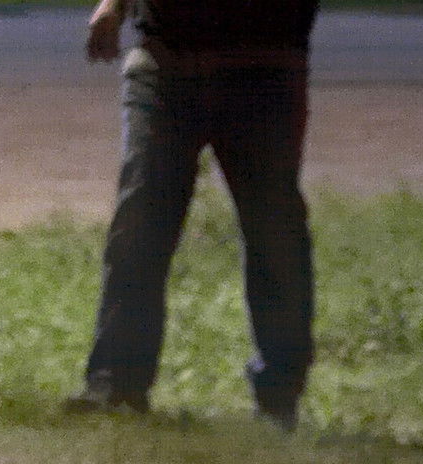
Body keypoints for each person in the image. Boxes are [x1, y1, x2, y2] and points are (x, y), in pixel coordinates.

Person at [65, 0, 319, 433]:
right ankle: (116, 385)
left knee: (274, 231)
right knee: (139, 224)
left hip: (265, 69)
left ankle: (279, 397)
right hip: (166, 62)